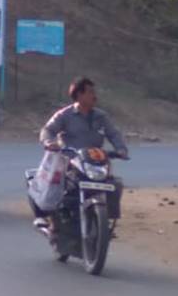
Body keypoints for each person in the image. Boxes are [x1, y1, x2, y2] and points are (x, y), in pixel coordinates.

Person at [36, 77, 129, 229]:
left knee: (114, 185)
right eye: (90, 92)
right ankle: (47, 217)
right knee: (56, 185)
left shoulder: (101, 116)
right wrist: (49, 143)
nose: (95, 96)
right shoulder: (64, 115)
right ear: (79, 95)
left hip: (96, 162)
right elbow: (47, 130)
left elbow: (113, 134)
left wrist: (121, 149)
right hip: (72, 162)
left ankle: (107, 223)